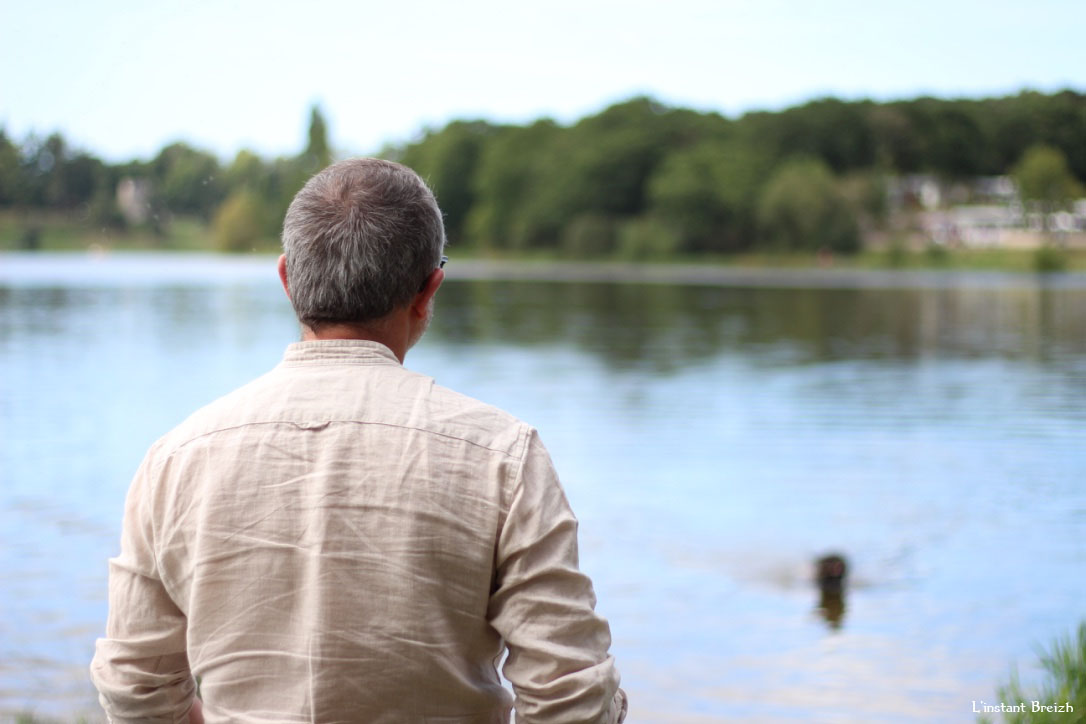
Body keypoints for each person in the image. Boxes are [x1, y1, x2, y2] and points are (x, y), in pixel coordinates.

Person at [90, 158, 627, 724]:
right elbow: (570, 701)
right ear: (428, 290)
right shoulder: (504, 458)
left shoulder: (176, 458)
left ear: (287, 280)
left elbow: (135, 686)